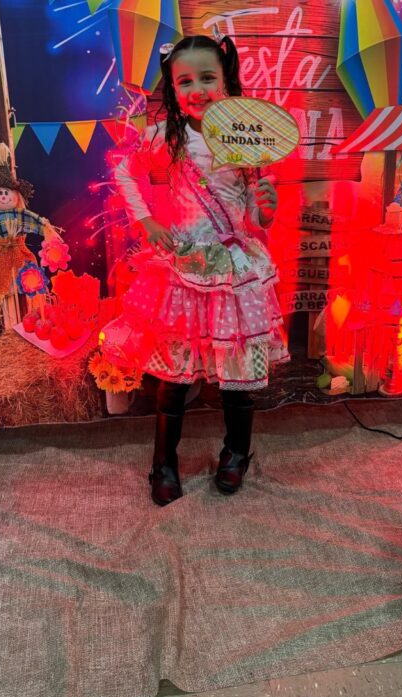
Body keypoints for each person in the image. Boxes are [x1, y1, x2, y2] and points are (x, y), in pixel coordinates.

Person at [101, 33, 290, 506]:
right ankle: (163, 464)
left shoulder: (247, 139)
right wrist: (146, 221)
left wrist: (266, 209)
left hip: (235, 271)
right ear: (173, 88)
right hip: (183, 270)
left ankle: (236, 453)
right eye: (185, 81)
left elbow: (253, 216)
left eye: (207, 77)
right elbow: (124, 169)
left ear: (226, 80)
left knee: (238, 380)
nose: (197, 89)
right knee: (173, 381)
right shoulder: (167, 136)